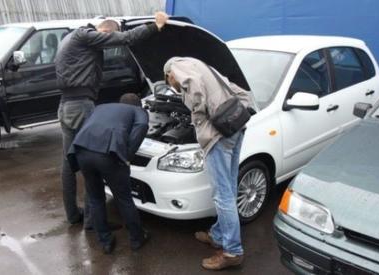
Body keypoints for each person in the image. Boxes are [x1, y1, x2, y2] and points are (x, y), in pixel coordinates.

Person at [55, 12, 169, 227]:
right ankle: (93, 222)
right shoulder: (85, 36)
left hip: (66, 105)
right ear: (106, 32)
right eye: (109, 39)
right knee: (94, 161)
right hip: (80, 106)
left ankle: (73, 215)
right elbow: (126, 38)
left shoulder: (69, 38)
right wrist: (156, 25)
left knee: (69, 164)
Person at [163, 57, 257, 270]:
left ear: (169, 74)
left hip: (218, 136)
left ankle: (232, 251)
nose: (173, 85)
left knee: (222, 194)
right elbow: (241, 93)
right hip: (235, 128)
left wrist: (198, 116)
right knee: (229, 188)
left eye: (170, 81)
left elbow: (195, 91)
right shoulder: (208, 67)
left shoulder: (178, 66)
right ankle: (217, 234)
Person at [67, 93, 150, 254]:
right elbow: (141, 127)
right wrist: (126, 156)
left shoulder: (101, 107)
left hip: (81, 150)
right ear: (138, 105)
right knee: (124, 198)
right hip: (107, 154)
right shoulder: (137, 111)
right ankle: (137, 238)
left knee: (96, 198)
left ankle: (105, 240)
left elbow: (89, 126)